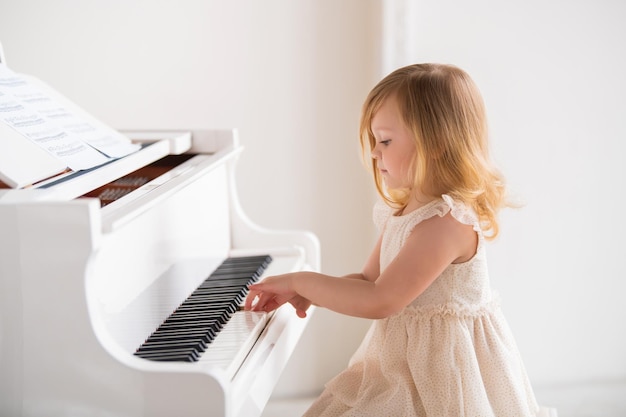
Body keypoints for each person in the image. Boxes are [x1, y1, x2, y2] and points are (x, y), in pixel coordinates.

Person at [245, 63, 540, 416]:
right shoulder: (405, 212)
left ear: (437, 143)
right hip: (401, 365)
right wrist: (307, 291)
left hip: (441, 378)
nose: (374, 152)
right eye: (373, 141)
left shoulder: (446, 223)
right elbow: (369, 281)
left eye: (384, 140)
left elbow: (381, 299)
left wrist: (301, 278)